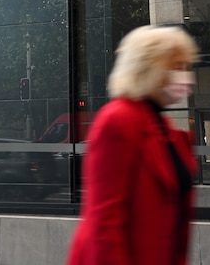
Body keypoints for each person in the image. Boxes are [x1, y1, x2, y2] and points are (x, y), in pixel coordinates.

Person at [66, 24, 199, 265]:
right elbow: (105, 221)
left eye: (186, 66)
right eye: (177, 65)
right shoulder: (117, 120)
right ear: (151, 67)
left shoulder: (163, 127)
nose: (186, 76)